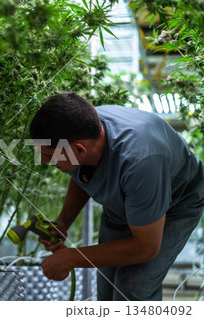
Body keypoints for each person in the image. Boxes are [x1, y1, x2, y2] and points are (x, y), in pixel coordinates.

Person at [29, 92, 204, 301]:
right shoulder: (82, 129)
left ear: (78, 149)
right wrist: (63, 222)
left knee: (132, 286)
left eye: (49, 156)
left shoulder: (140, 162)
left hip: (177, 201)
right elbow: (80, 174)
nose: (43, 160)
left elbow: (145, 247)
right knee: (107, 284)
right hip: (128, 196)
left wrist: (70, 258)